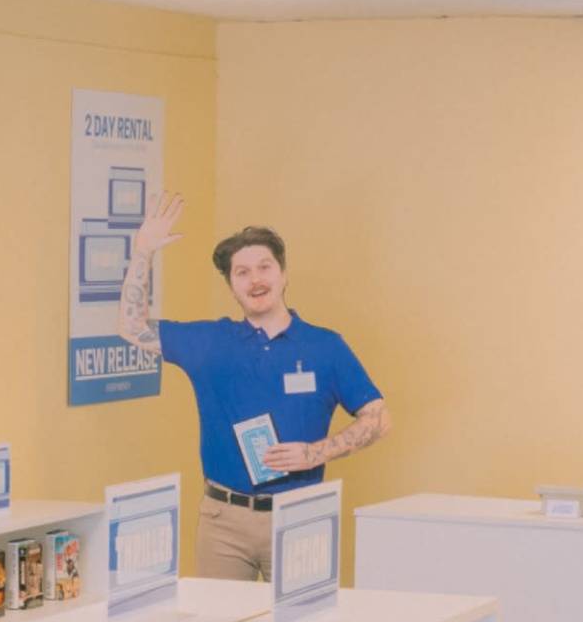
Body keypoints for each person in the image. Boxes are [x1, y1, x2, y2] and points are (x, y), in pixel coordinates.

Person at [117, 197, 389, 582]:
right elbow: (132, 328)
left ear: (284, 274)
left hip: (300, 517)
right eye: (242, 272)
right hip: (223, 523)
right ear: (231, 285)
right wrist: (143, 251)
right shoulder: (210, 341)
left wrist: (315, 452)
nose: (256, 279)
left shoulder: (325, 346)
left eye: (265, 267)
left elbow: (378, 416)